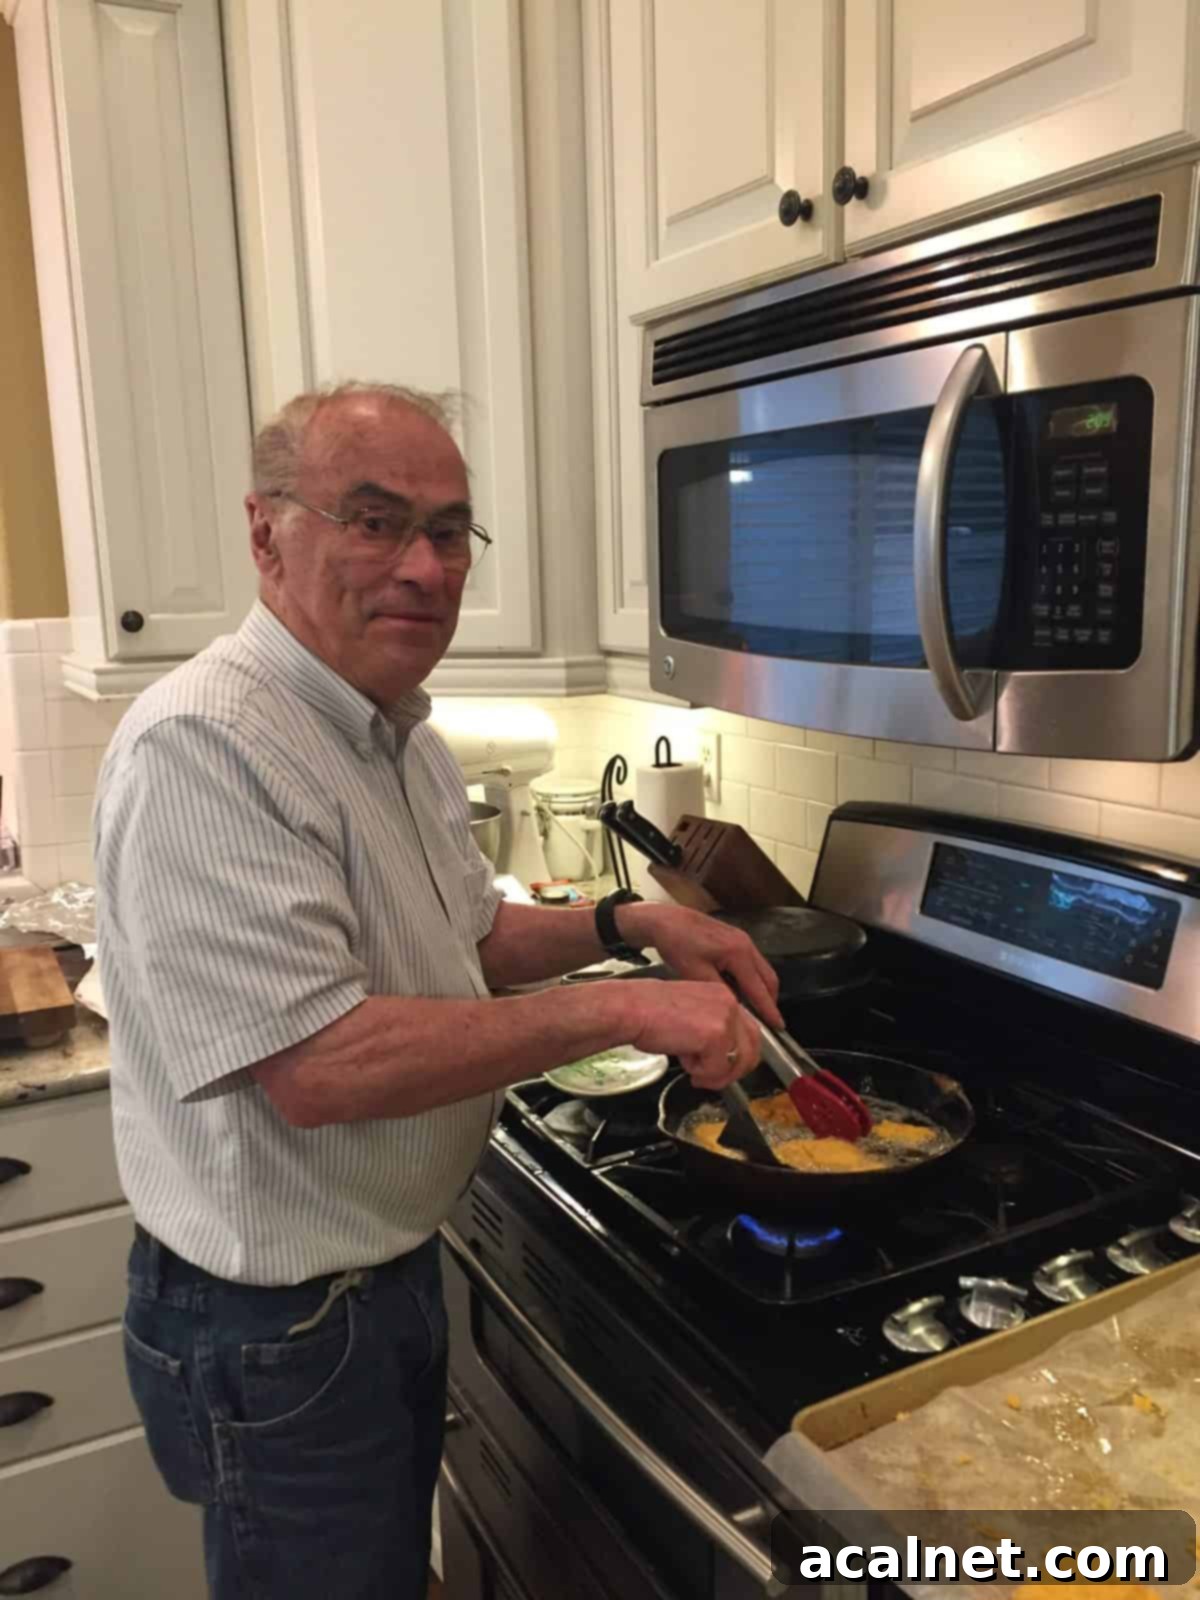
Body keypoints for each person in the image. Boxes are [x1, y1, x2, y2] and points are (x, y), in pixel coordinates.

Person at [94, 381, 782, 1599]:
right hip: (277, 1325)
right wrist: (628, 1003)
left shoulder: (394, 727)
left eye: (450, 529)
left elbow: (473, 936)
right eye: (373, 519)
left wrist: (635, 919)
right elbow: (319, 1067)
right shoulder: (204, 742)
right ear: (268, 532)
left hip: (385, 1274)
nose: (424, 564)